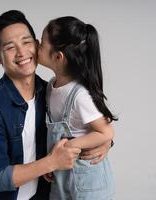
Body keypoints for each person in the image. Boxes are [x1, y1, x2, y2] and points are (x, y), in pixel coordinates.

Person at [0, 10, 112, 200]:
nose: (22, 52)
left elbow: (88, 125)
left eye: (26, 42)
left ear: (36, 44)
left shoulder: (50, 92)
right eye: (10, 47)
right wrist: (51, 163)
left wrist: (105, 142)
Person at [38, 16, 117, 200]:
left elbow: (105, 133)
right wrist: (50, 160)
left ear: (58, 57)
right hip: (63, 178)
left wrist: (69, 145)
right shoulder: (51, 86)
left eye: (41, 43)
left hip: (88, 183)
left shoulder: (80, 96)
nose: (36, 45)